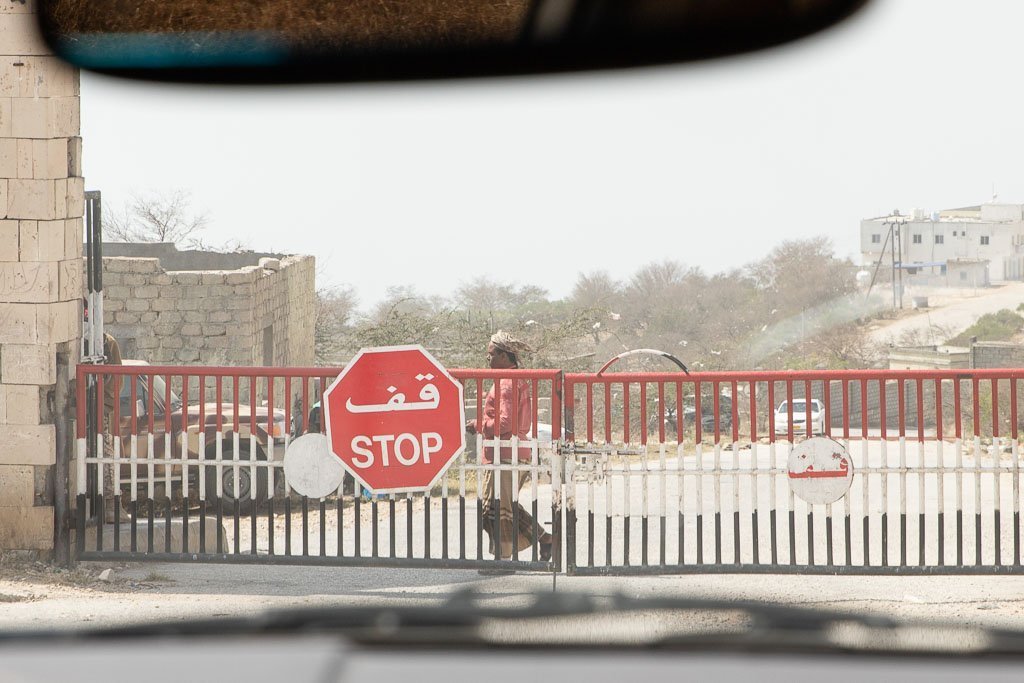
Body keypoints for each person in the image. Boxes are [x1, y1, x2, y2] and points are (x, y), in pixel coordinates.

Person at [466, 331, 553, 570]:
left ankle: (502, 560)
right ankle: (545, 539)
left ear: (504, 356)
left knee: (495, 509)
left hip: (505, 453)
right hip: (512, 452)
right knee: (504, 506)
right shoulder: (516, 380)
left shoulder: (505, 383)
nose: (488, 360)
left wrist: (477, 425)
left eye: (492, 355)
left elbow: (505, 423)